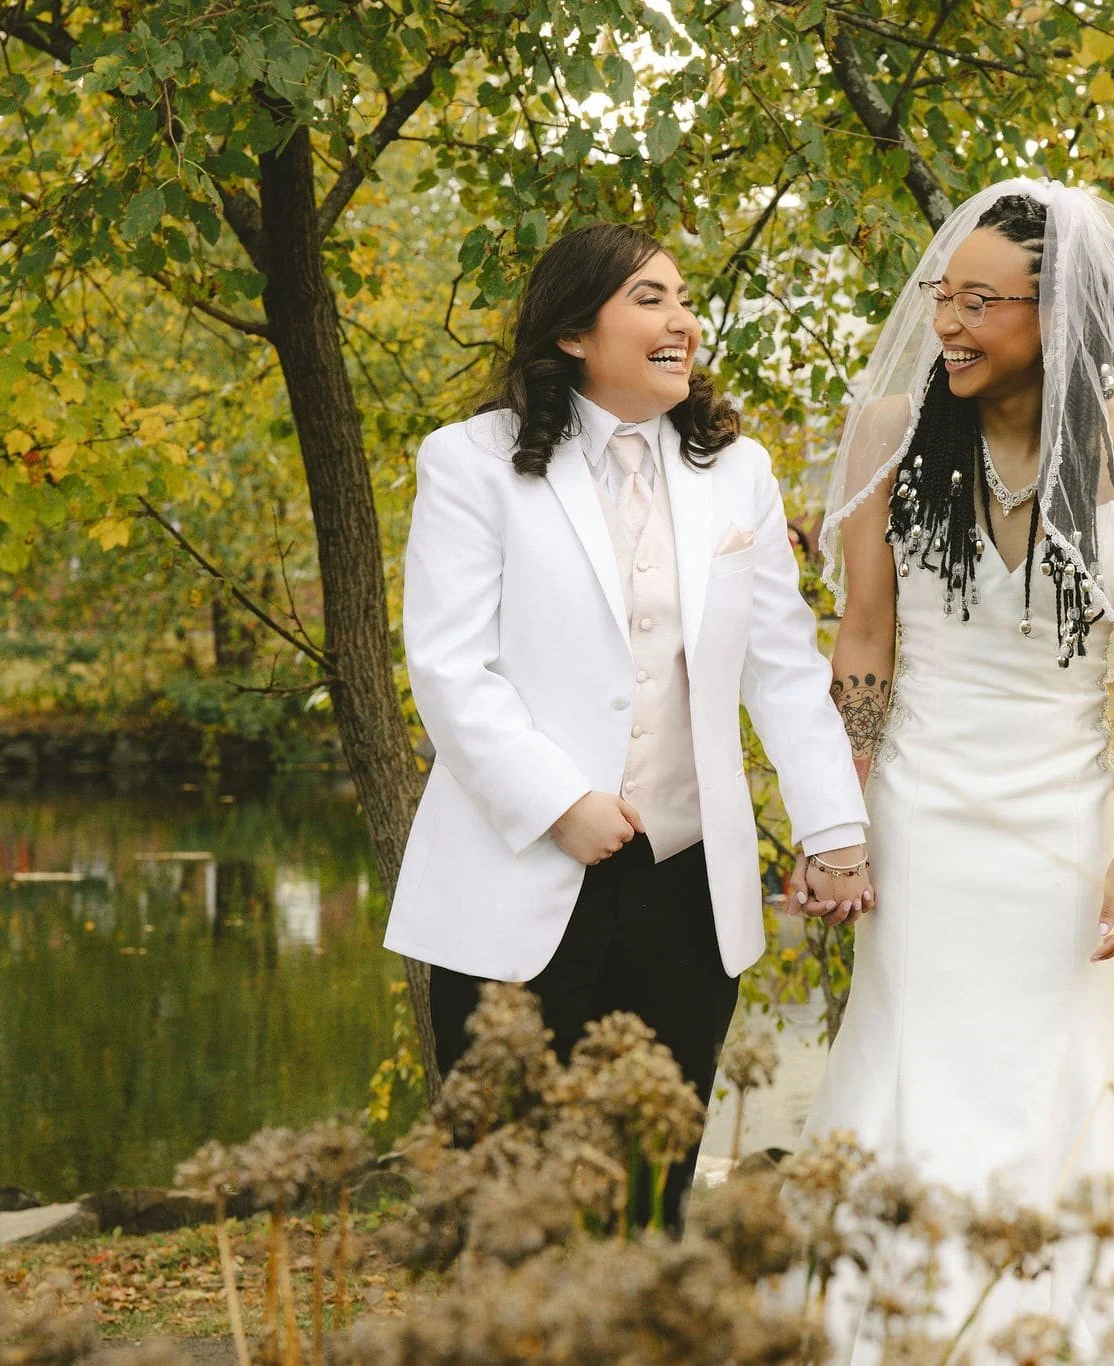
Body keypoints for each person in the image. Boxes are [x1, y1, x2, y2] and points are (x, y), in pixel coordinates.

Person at [385, 223, 872, 1228]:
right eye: (650, 299)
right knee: (506, 1195)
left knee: (654, 1191)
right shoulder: (470, 462)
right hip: (518, 872)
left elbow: (782, 668)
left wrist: (832, 830)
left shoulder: (735, 470)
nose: (681, 320)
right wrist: (559, 802)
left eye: (683, 299)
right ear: (573, 331)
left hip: (687, 888)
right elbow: (449, 665)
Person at [799, 180, 1114, 1354]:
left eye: (980, 302)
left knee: (1054, 1076)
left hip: (1063, 826)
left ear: (1058, 311)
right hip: (917, 815)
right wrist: (838, 819)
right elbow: (863, 635)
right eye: (942, 295)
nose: (948, 323)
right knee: (904, 1062)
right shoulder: (888, 432)